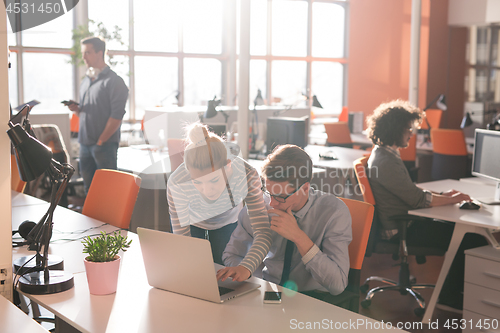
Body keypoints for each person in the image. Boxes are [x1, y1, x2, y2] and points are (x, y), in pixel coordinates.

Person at [366, 99, 487, 311]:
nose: (411, 133)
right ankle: (449, 296)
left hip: (407, 221)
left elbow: (411, 192)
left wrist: (443, 195)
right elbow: (417, 199)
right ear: (396, 129)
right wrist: (453, 199)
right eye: (408, 128)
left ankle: (452, 292)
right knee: (470, 236)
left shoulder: (385, 154)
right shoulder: (385, 161)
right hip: (402, 228)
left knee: (463, 232)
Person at [220, 144, 352, 301]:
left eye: (281, 197)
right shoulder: (259, 207)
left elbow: (338, 285)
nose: (273, 204)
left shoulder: (334, 213)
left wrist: (298, 236)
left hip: (313, 299)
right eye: (269, 193)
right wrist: (250, 272)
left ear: (305, 188)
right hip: (265, 291)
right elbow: (232, 254)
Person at [167, 123, 272, 281]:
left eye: (214, 180)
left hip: (227, 220)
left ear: (228, 166)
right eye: (198, 183)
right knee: (195, 274)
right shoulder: (177, 182)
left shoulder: (247, 175)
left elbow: (262, 232)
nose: (207, 190)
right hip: (193, 221)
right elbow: (183, 240)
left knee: (223, 272)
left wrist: (246, 267)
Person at [65, 36, 129, 193]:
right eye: (83, 53)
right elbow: (88, 113)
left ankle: (107, 219)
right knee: (89, 190)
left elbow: (117, 116)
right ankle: (90, 219)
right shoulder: (86, 81)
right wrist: (77, 109)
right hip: (85, 144)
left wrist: (101, 141)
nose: (84, 57)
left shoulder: (115, 81)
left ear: (100, 53)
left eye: (87, 52)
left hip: (103, 146)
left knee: (108, 191)